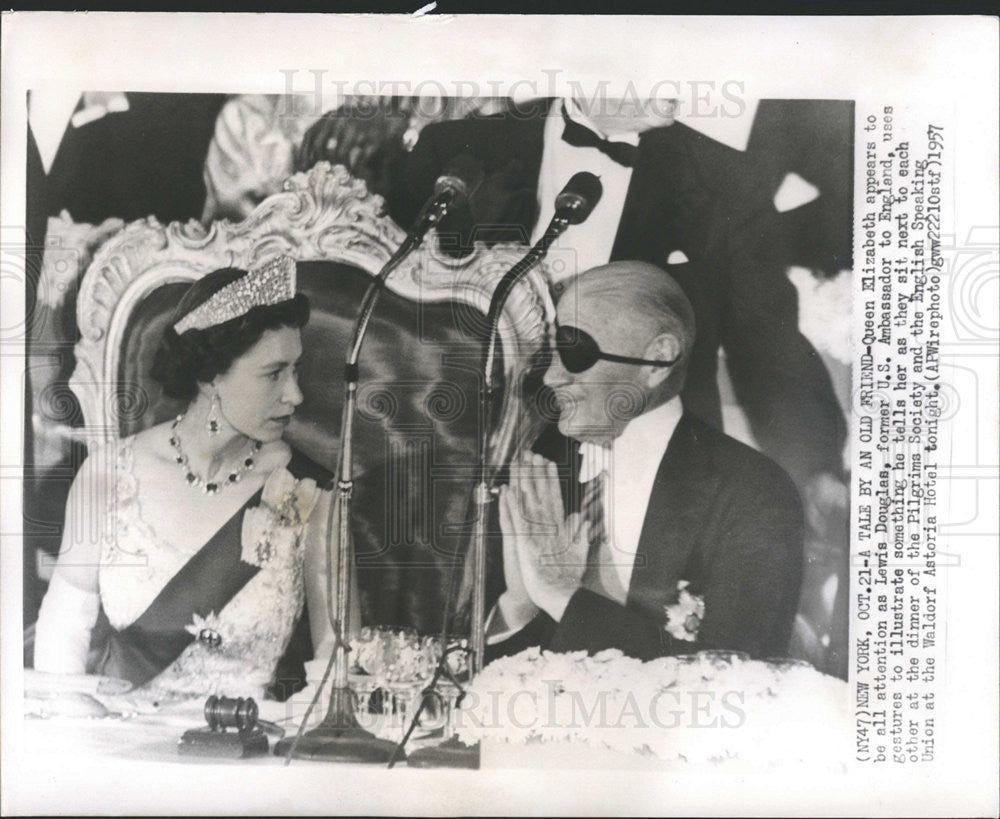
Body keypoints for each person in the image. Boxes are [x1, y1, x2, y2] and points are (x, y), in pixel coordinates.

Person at [386, 94, 846, 516]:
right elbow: (385, 316)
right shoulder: (453, 151)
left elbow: (766, 342)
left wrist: (814, 469)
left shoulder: (727, 181)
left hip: (635, 483)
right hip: (451, 463)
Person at [33, 256, 345, 701]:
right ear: (210, 377)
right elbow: (63, 631)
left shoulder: (310, 491)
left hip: (245, 747)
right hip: (120, 743)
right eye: (273, 374)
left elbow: (336, 655)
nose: (294, 394)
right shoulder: (109, 474)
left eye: (295, 370)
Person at [487, 262, 803, 662]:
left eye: (575, 352)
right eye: (550, 354)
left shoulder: (751, 492)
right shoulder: (537, 474)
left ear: (657, 361)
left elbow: (738, 684)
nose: (551, 376)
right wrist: (519, 605)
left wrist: (560, 593)